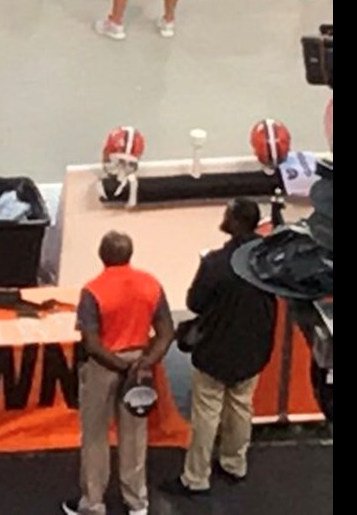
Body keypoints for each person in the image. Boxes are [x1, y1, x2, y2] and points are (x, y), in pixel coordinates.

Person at [168, 200, 275, 498]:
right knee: (241, 405)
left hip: (216, 351)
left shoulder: (216, 262)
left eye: (228, 214)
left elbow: (194, 303)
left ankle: (196, 477)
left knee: (207, 412)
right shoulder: (269, 259)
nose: (224, 217)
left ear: (237, 222)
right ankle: (234, 463)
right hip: (254, 349)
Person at [65, 231, 177, 515]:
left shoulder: (93, 290)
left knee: (94, 435)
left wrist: (120, 365)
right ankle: (137, 502)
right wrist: (145, 362)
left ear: (102, 256)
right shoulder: (151, 284)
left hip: (104, 365)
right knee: (135, 434)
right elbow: (166, 331)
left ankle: (93, 502)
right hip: (139, 363)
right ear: (130, 254)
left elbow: (91, 343)